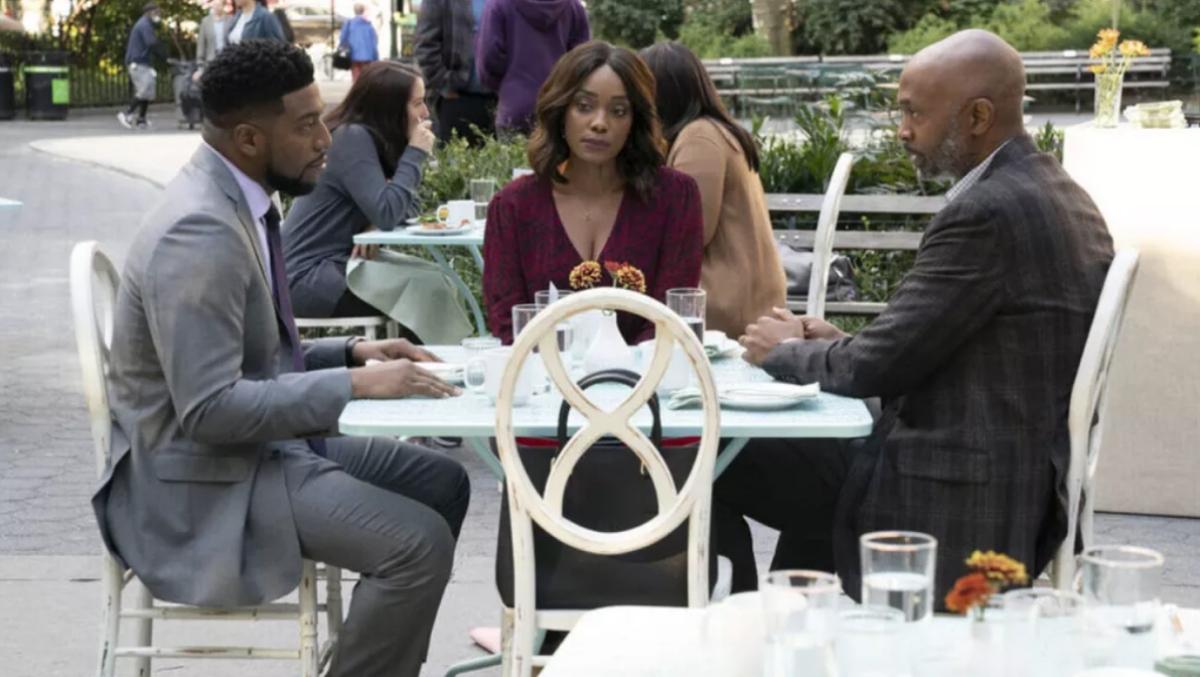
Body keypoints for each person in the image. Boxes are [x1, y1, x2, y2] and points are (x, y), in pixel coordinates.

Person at [92, 41, 470, 677]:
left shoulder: (236, 199)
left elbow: (252, 356)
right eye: (305, 125)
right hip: (204, 483)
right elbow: (210, 410)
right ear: (247, 139)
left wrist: (349, 351)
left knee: (443, 482)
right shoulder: (200, 231)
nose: (326, 137)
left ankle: (369, 653)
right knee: (415, 543)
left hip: (256, 453)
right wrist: (354, 384)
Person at [716, 30, 1115, 601]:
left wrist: (782, 351)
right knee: (785, 469)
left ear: (977, 116)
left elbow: (875, 369)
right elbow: (929, 340)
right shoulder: (1051, 188)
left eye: (913, 114)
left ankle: (745, 629)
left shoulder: (987, 212)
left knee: (711, 463)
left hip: (956, 486)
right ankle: (799, 616)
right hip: (1010, 470)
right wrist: (840, 340)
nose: (901, 130)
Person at [482, 41, 704, 344]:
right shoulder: (512, 206)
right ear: (561, 112)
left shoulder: (675, 197)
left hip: (648, 380)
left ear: (634, 121)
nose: (600, 123)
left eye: (619, 110)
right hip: (541, 380)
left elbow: (672, 313)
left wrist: (625, 375)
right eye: (584, 107)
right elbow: (509, 322)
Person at [641, 42, 786, 338]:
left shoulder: (699, 137)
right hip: (745, 299)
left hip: (723, 306)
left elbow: (690, 233)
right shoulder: (716, 131)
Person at [283, 61, 434, 321]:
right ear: (391, 108)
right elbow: (389, 211)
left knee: (433, 280)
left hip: (340, 268)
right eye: (417, 103)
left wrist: (377, 222)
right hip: (308, 278)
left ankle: (425, 360)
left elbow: (410, 204)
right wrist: (416, 152)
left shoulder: (371, 139)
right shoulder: (351, 138)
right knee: (425, 292)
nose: (426, 112)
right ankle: (425, 361)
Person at [476, 0, 590, 136]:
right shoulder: (573, 6)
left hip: (515, 107)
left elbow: (489, 57)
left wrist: (506, 87)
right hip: (558, 107)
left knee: (511, 156)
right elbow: (582, 60)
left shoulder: (498, 4)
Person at [414, 0, 497, 144]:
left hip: (500, 100)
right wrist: (445, 85)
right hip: (458, 97)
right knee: (459, 161)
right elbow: (425, 47)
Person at [118, 3, 166, 130]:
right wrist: (164, 55)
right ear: (149, 12)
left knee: (148, 91)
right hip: (138, 62)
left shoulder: (146, 24)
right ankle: (126, 114)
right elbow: (151, 43)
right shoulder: (144, 24)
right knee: (144, 89)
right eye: (157, 13)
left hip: (144, 62)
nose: (159, 15)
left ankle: (141, 119)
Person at [339, 3, 379, 82]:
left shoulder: (349, 23)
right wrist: (375, 57)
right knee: (366, 77)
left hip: (354, 54)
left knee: (356, 77)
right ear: (363, 11)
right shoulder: (369, 25)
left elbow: (343, 38)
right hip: (368, 56)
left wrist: (343, 49)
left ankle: (357, 92)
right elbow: (374, 43)